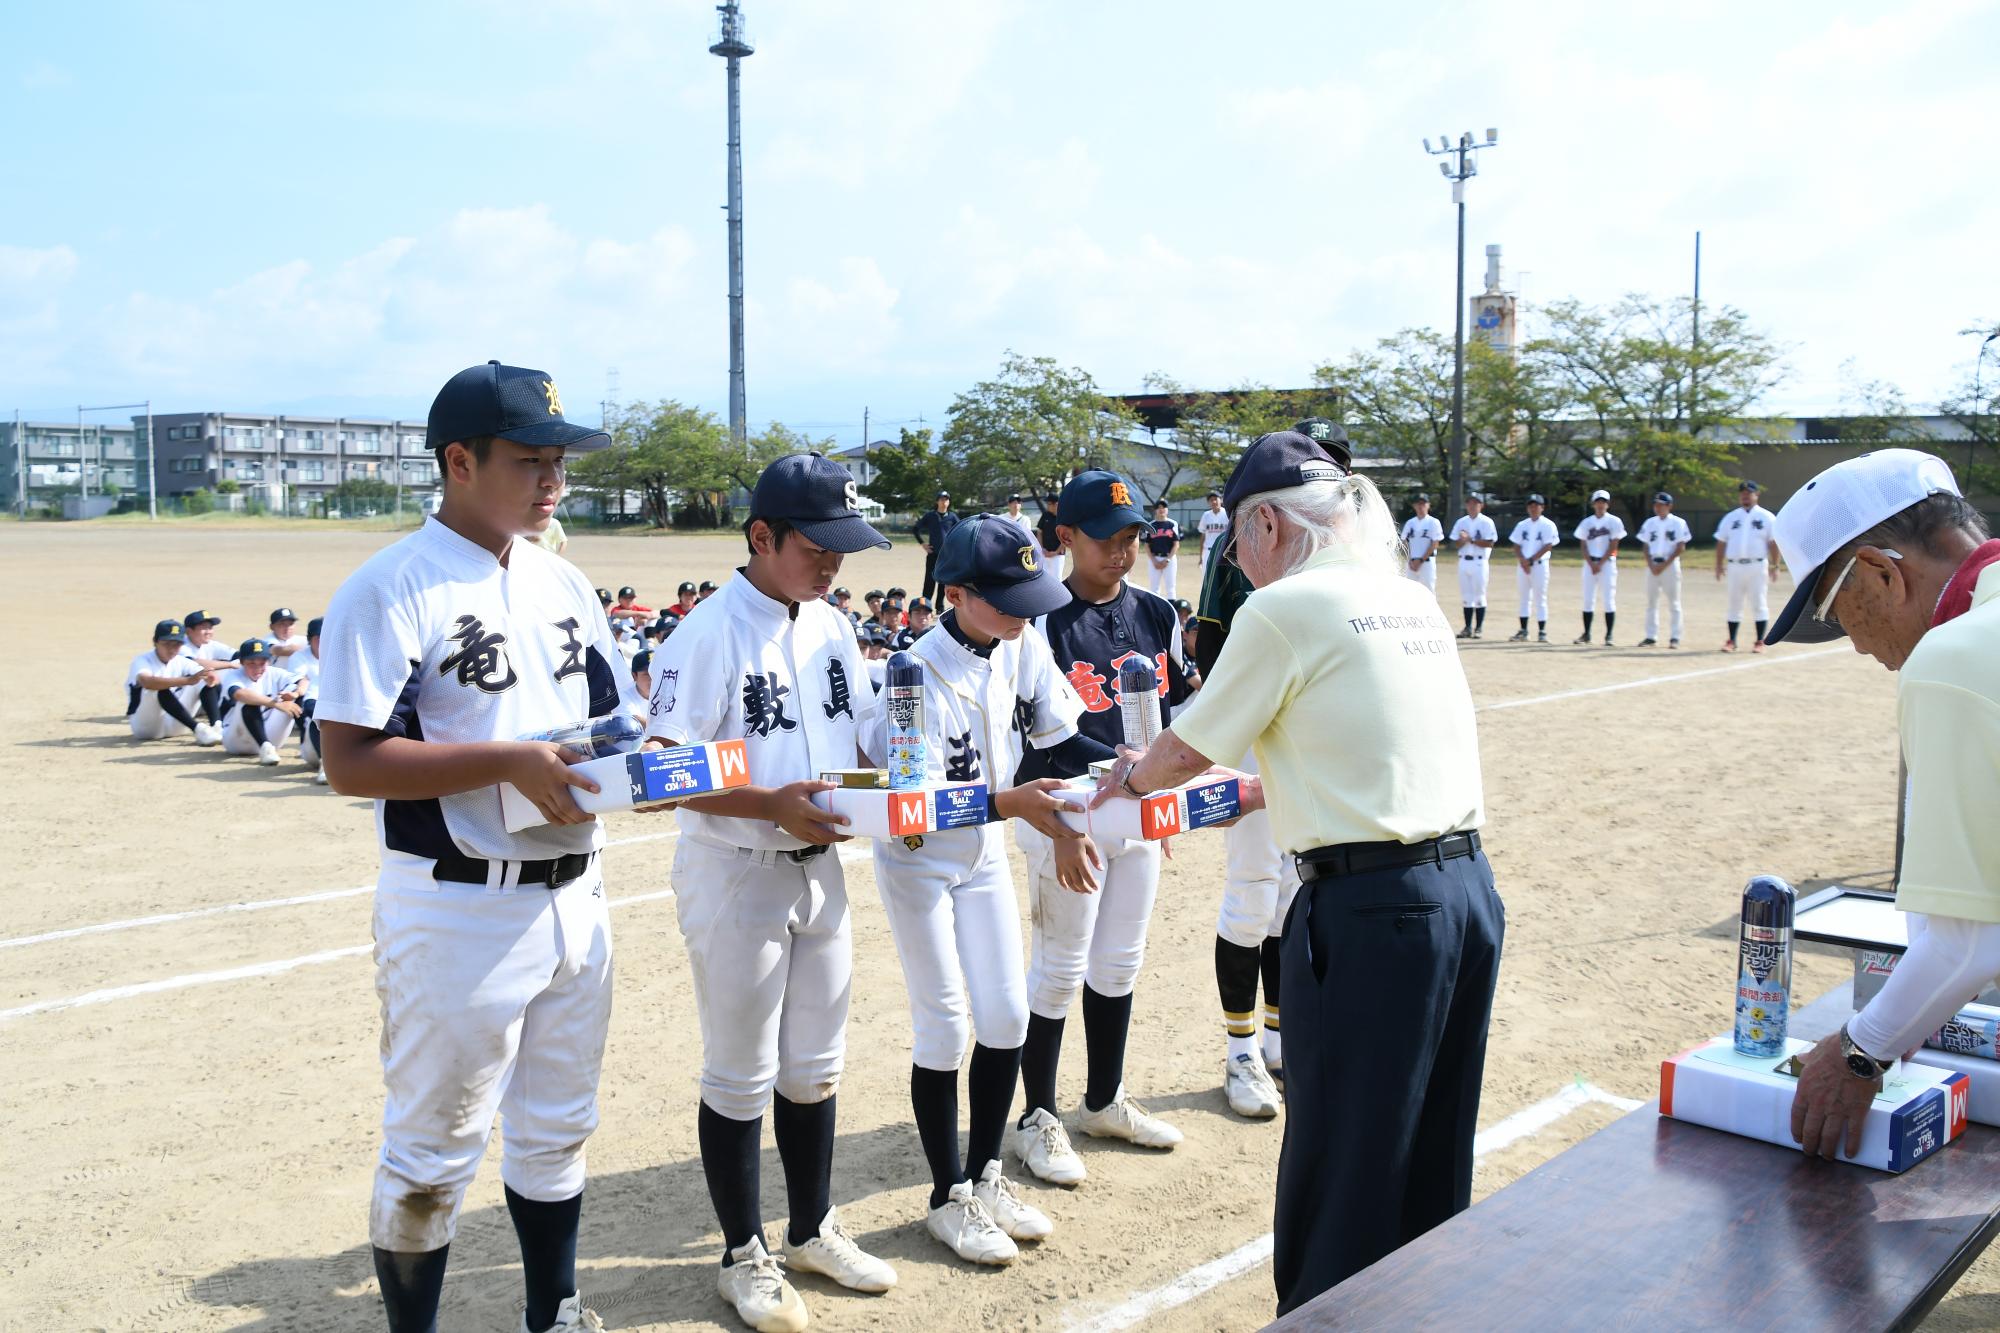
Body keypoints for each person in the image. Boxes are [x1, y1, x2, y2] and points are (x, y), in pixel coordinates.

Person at [1096, 427, 1497, 1315]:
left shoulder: (1283, 610)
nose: (1235, 557)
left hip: (1374, 907)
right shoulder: (1409, 599)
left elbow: (1182, 750)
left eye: (1237, 534)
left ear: (1270, 524)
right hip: (1468, 892)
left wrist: (1127, 774)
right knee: (1433, 1145)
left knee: (1342, 1155)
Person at [316, 360, 631, 1333]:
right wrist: (504, 758)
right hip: (456, 906)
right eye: (530, 460)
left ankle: (555, 1312)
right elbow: (349, 759)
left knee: (554, 1133)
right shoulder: (391, 585)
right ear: (458, 460)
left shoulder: (563, 578)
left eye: (558, 462)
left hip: (574, 893)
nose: (552, 482)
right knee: (432, 1149)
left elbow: (614, 720)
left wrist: (656, 764)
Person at [644, 452, 899, 1331]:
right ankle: (742, 1250)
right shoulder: (706, 633)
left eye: (844, 546)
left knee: (815, 1065)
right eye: (817, 545)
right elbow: (660, 771)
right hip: (734, 870)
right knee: (742, 1070)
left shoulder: (828, 623)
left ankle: (811, 1225)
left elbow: (860, 729)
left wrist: (888, 767)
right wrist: (767, 804)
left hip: (819, 867)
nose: (834, 563)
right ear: (762, 536)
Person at [867, 514, 1103, 1265]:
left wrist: (1133, 758)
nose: (1026, 611)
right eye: (1007, 597)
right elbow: (911, 805)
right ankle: (948, 1196)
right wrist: (1011, 802)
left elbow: (1060, 736)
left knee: (1005, 1017)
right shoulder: (910, 673)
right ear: (957, 591)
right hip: (920, 861)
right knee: (945, 1024)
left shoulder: (1020, 639)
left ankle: (988, 1170)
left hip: (985, 852)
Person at [1765, 451, 2000, 1165]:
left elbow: (1969, 938)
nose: (1860, 646)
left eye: (1840, 617)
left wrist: (1860, 1052)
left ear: (1880, 571)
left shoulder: (1954, 656)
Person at [1011, 471, 1193, 1188]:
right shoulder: (1039, 623)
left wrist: (1165, 796)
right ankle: (1037, 1117)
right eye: (1105, 539)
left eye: (1130, 537)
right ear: (1065, 538)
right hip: (1068, 811)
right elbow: (1035, 736)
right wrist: (1071, 814)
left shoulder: (1154, 611)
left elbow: (1172, 719)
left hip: (1139, 812)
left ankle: (1104, 1098)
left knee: (1119, 962)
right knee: (1059, 966)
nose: (1121, 551)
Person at [216, 637, 308, 766]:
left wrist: (295, 693)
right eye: (251, 663)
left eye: (262, 662)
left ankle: (308, 744)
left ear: (269, 662)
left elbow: (303, 681)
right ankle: (265, 746)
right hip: (237, 740)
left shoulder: (274, 673)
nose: (257, 668)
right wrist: (275, 703)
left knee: (294, 696)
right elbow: (239, 694)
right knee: (249, 700)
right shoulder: (234, 675)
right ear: (241, 662)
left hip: (272, 738)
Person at [1714, 479, 1782, 652]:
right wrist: (1718, 565)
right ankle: (1731, 640)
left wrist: (1775, 565)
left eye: (1748, 493)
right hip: (1735, 566)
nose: (1745, 496)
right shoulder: (1731, 517)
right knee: (1734, 603)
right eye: (1742, 493)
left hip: (1757, 565)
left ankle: (1760, 641)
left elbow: (1773, 542)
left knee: (1758, 602)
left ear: (1756, 495)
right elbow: (1721, 541)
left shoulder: (1766, 517)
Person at [124, 618, 213, 743]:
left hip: (176, 726)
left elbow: (204, 674)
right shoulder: (142, 660)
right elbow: (147, 682)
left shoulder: (181, 661)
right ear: (155, 642)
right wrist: (187, 680)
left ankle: (216, 727)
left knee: (203, 679)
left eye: (177, 644)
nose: (172, 649)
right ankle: (197, 727)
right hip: (146, 728)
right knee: (157, 688)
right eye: (166, 643)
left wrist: (210, 676)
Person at [1636, 492, 1692, 647]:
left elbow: (1681, 547)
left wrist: (1664, 564)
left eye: (1661, 504)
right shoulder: (1649, 523)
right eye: (1656, 504)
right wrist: (1651, 564)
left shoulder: (1678, 523)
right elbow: (1645, 546)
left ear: (1669, 506)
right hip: (1653, 565)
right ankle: (1651, 636)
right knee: (1651, 602)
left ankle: (1675, 637)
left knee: (1674, 603)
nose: (1658, 507)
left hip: (1670, 566)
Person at [1572, 489, 1627, 645]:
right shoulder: (1587, 522)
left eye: (1603, 502)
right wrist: (1591, 563)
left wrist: (1600, 563)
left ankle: (1609, 635)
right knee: (1588, 599)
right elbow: (1583, 544)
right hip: (1590, 564)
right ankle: (1586, 634)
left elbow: (1614, 543)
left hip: (1607, 563)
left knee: (1609, 599)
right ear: (1593, 504)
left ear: (1608, 504)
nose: (1600, 504)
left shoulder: (1614, 521)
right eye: (1598, 501)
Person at [1507, 495, 1559, 642]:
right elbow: (1516, 544)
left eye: (1537, 505)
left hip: (1539, 566)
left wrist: (1530, 560)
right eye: (1531, 505)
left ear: (1542, 508)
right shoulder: (1522, 525)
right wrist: (1523, 561)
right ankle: (1523, 630)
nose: (1533, 508)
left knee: (1540, 598)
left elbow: (1548, 545)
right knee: (1524, 598)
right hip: (1523, 566)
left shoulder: (1548, 525)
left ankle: (1542, 631)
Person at [178, 609, 235, 741]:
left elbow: (239, 656)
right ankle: (216, 724)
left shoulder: (210, 645)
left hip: (199, 703)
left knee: (233, 672)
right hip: (181, 701)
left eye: (210, 627)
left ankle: (223, 721)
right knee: (205, 675)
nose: (208, 631)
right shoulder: (180, 646)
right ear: (189, 631)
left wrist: (237, 662)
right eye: (203, 628)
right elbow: (193, 662)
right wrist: (230, 664)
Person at [1449, 493, 1498, 639]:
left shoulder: (1487, 522)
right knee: (1466, 596)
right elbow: (1455, 543)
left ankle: (1479, 628)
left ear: (1481, 505)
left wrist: (1469, 539)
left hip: (1480, 561)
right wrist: (1462, 540)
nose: (1472, 506)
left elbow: (1490, 543)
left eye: (1476, 503)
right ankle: (1467, 627)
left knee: (1479, 595)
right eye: (1470, 503)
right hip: (1464, 560)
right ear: (1466, 505)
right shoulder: (1461, 522)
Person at [293, 616, 328, 782]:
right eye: (320, 638)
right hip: (313, 747)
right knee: (318, 716)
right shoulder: (322, 673)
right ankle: (324, 765)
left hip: (342, 746)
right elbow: (308, 704)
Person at [912, 490, 961, 602]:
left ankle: (939, 606)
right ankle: (925, 603)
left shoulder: (952, 517)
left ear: (949, 502)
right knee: (929, 580)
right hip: (933, 554)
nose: (944, 502)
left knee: (943, 581)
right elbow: (915, 529)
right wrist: (922, 544)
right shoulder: (930, 516)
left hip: (947, 555)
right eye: (941, 499)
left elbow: (961, 530)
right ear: (937, 501)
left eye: (946, 499)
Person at [1400, 494, 1444, 591]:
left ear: (1428, 505)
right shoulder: (1410, 523)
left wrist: (1420, 561)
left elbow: (1435, 544)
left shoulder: (1433, 522)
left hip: (1427, 562)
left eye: (1423, 503)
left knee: (1428, 591)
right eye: (1418, 503)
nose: (1421, 506)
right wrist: (1410, 559)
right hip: (1411, 563)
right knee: (1410, 591)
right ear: (1414, 506)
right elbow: (1404, 542)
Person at [1143, 499, 1183, 598]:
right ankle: (1155, 612)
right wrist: (1154, 561)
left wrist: (1167, 560)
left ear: (1167, 509)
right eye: (1159, 507)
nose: (1161, 509)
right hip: (1154, 559)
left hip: (1169, 559)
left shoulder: (1172, 524)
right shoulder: (1151, 525)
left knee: (1170, 588)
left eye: (1164, 507)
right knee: (1154, 588)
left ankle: (1172, 611)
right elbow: (1147, 545)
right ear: (1155, 510)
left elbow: (1176, 544)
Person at [1197, 490, 1230, 569]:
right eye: (1211, 500)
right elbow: (1203, 536)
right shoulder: (1206, 515)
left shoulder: (1227, 513)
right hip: (1208, 551)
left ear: (1221, 500)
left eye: (1216, 499)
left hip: (1223, 552)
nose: (1214, 501)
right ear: (1209, 502)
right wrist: (1201, 556)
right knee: (1206, 577)